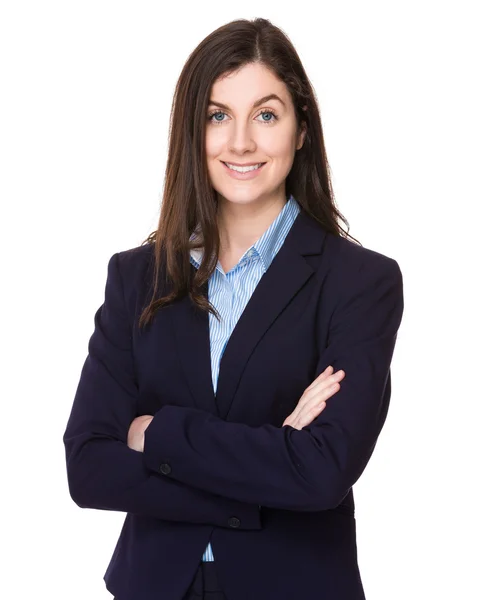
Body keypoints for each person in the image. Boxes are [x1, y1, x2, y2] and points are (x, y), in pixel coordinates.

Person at [63, 17, 404, 600]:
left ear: (301, 131)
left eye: (266, 115)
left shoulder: (360, 281)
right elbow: (89, 467)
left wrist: (160, 434)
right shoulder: (136, 277)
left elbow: (323, 470)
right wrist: (273, 457)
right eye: (218, 116)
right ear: (192, 133)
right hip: (154, 587)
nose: (240, 141)